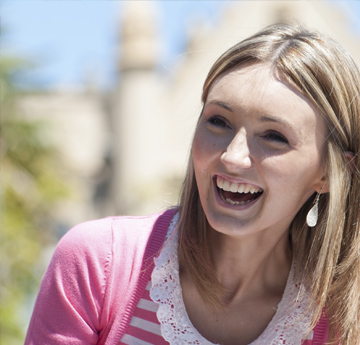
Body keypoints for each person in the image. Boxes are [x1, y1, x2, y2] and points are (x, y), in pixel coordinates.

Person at [25, 23, 360, 345]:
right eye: (218, 121)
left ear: (328, 174)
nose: (232, 156)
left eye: (274, 136)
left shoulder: (341, 322)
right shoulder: (99, 262)